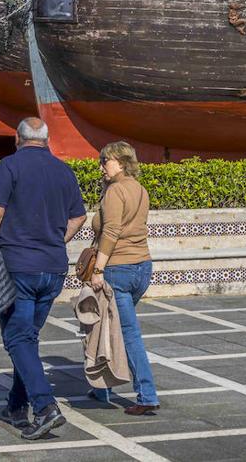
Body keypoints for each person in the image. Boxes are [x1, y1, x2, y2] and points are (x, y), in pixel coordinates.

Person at [0, 117, 88, 441]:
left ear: (17, 138)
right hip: (52, 269)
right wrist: (55, 241)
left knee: (18, 338)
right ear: (46, 139)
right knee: (27, 338)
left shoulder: (9, 167)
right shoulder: (63, 170)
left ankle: (44, 407)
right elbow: (78, 215)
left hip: (18, 269)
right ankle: (15, 405)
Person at [88, 141, 159, 415]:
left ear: (120, 161)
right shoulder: (139, 189)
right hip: (142, 267)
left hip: (118, 269)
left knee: (127, 333)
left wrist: (98, 269)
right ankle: (100, 386)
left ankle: (147, 394)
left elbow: (112, 231)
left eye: (104, 160)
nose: (101, 166)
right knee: (110, 327)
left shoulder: (116, 191)